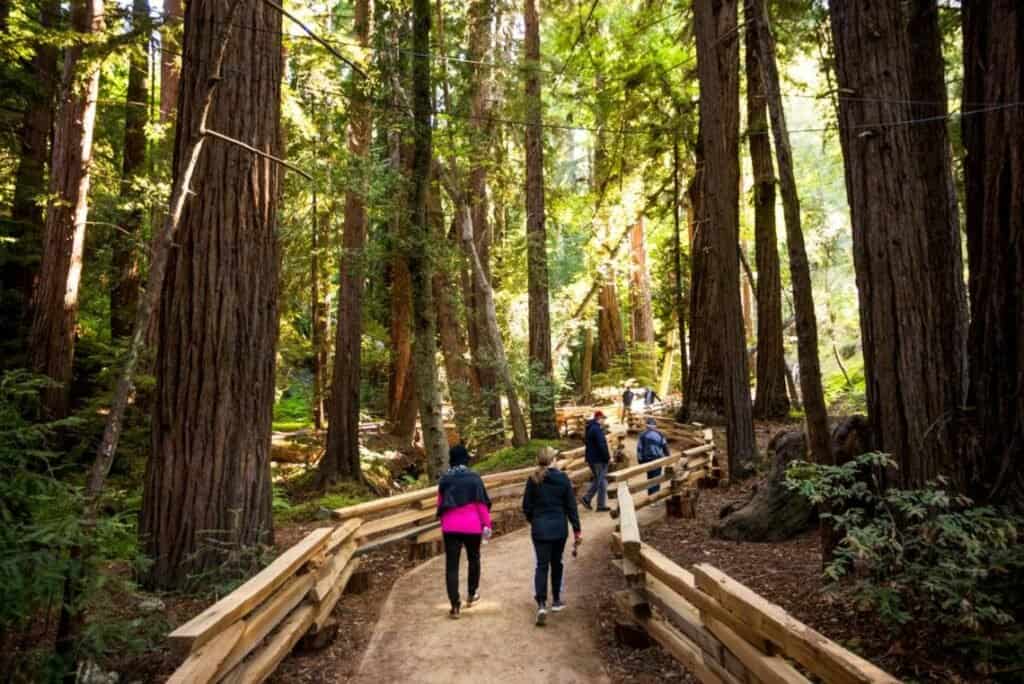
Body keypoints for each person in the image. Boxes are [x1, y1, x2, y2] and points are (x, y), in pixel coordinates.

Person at [522, 448, 582, 626]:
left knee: (541, 565)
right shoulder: (562, 479)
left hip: (540, 529)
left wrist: (534, 520)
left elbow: (526, 506)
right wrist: (577, 530)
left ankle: (541, 604)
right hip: (558, 529)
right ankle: (556, 600)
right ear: (552, 460)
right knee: (557, 563)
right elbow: (571, 507)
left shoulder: (533, 479)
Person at [437, 444, 492, 619]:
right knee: (473, 558)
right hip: (472, 526)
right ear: (465, 459)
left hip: (450, 527)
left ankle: (454, 606)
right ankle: (471, 594)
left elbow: (440, 505)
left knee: (451, 566)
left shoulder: (445, 479)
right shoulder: (474, 478)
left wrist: (444, 523)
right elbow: (481, 504)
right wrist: (487, 525)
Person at [581, 411, 611, 512]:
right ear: (599, 418)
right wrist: (607, 457)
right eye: (603, 418)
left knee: (600, 480)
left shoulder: (591, 427)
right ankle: (590, 500)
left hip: (593, 459)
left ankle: (595, 502)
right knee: (601, 480)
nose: (604, 420)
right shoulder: (596, 429)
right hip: (598, 459)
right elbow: (601, 445)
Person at [637, 417, 670, 495]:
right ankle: (655, 496)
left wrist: (640, 460)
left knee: (650, 477)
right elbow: (665, 446)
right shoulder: (660, 434)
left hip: (647, 459)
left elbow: (639, 448)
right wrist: (668, 457)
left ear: (646, 425)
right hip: (657, 458)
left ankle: (650, 495)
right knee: (657, 477)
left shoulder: (642, 435)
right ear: (655, 425)